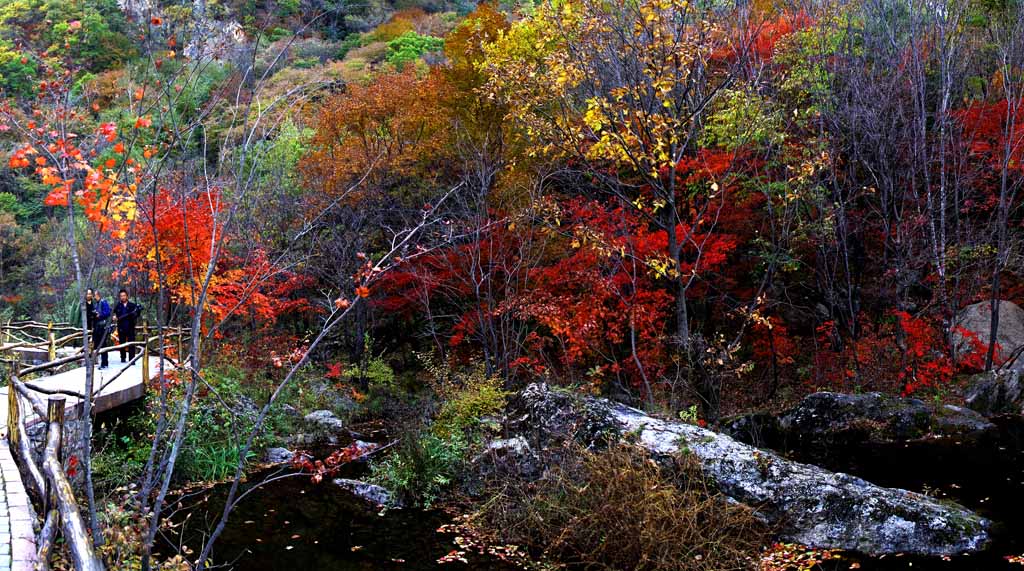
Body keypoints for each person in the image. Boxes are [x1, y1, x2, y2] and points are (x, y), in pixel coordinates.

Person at [113, 289, 142, 363]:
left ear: (127, 296)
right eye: (121, 296)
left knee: (131, 343)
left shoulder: (132, 305)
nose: (123, 297)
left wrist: (137, 311)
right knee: (122, 343)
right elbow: (113, 314)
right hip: (121, 327)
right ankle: (123, 358)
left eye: (124, 295)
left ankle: (132, 359)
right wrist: (114, 317)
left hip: (130, 326)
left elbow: (137, 314)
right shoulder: (118, 306)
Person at [93, 290, 111, 369]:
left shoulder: (103, 302)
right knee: (97, 345)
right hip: (97, 327)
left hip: (103, 327)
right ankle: (100, 362)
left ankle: (105, 363)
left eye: (95, 295)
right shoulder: (96, 304)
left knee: (103, 344)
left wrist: (99, 315)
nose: (94, 297)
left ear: (98, 295)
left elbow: (107, 312)